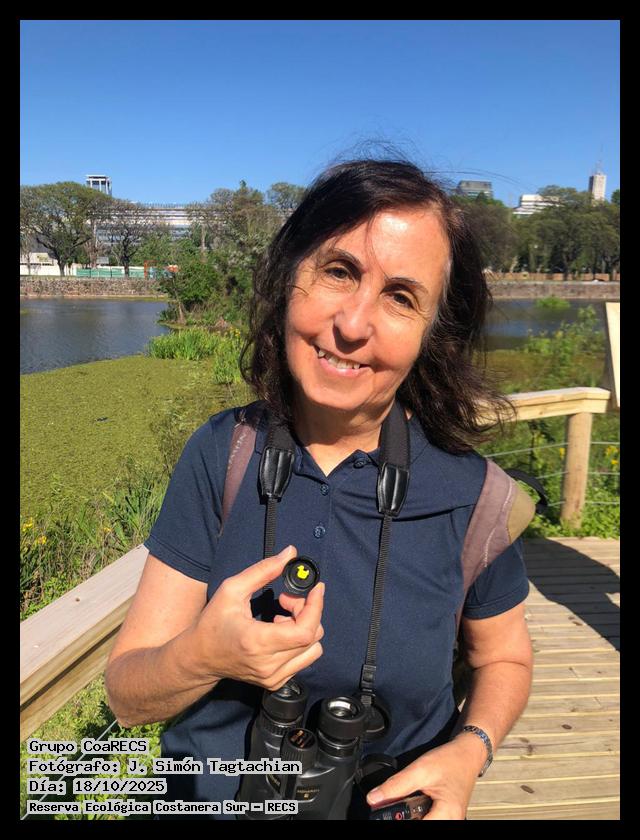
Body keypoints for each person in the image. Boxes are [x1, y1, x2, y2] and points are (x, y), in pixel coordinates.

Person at [105, 159, 534, 820]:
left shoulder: (475, 497)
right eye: (339, 271)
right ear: (289, 278)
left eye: (401, 297)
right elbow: (127, 697)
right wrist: (202, 657)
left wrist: (470, 749)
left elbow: (505, 658)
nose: (354, 324)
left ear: (433, 333)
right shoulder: (222, 453)